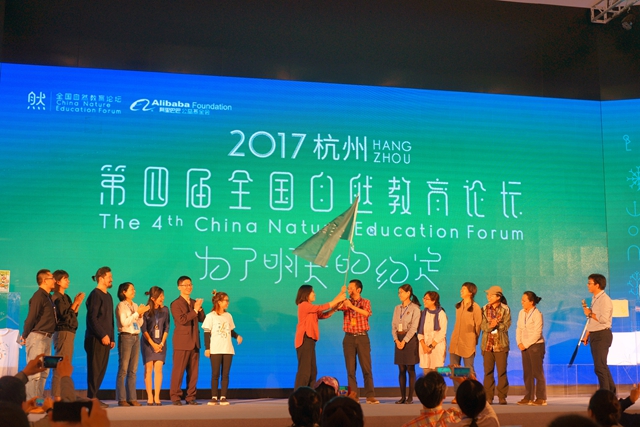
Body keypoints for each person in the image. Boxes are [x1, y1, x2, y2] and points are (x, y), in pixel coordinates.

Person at [294, 284, 346, 389]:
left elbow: (323, 314)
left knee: (312, 371)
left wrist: (337, 302)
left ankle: (309, 394)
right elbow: (321, 307)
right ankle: (299, 394)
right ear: (306, 294)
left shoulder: (310, 308)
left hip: (310, 341)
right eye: (312, 292)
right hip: (304, 340)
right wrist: (338, 299)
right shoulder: (304, 305)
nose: (314, 294)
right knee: (305, 371)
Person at [336, 279, 378, 404]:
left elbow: (366, 313)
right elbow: (335, 307)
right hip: (348, 338)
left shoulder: (365, 302)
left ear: (358, 290)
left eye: (351, 288)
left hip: (362, 337)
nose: (349, 290)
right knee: (350, 369)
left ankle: (370, 396)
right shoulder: (345, 301)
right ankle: (353, 396)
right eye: (348, 288)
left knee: (366, 368)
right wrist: (341, 294)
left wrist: (351, 306)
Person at [21, 269, 57, 401]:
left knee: (44, 371)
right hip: (37, 337)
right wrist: (25, 335)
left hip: (47, 338)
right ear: (44, 281)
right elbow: (31, 317)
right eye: (52, 278)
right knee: (34, 372)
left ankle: (39, 399)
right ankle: (31, 401)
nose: (54, 280)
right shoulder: (38, 296)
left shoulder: (48, 297)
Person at [202, 290, 242, 406]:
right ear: (219, 302)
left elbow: (230, 330)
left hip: (227, 349)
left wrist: (237, 336)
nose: (227, 303)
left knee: (225, 374)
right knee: (215, 374)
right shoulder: (210, 316)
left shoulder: (228, 316)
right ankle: (214, 397)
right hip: (215, 349)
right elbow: (206, 333)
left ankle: (223, 397)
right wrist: (207, 348)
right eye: (226, 300)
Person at [169, 275, 205, 405]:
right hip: (182, 342)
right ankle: (175, 397)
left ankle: (191, 397)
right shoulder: (175, 304)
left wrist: (199, 309)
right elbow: (182, 320)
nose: (189, 287)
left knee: (194, 373)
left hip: (195, 342)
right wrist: (195, 310)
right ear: (179, 287)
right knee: (178, 371)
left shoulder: (194, 302)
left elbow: (202, 319)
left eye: (190, 285)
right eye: (186, 285)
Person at [51, 270, 84, 399]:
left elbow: (72, 314)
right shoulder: (56, 297)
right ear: (58, 281)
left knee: (66, 364)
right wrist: (75, 303)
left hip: (70, 331)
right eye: (65, 279)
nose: (68, 281)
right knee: (60, 364)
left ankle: (64, 394)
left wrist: (77, 303)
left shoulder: (66, 297)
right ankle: (57, 396)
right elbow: (64, 316)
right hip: (62, 332)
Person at [84, 267, 115, 408]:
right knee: (94, 369)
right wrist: (102, 334)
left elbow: (110, 320)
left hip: (106, 340)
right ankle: (91, 398)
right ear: (101, 278)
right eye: (109, 277)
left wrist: (112, 338)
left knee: (101, 369)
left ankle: (94, 397)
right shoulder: (95, 295)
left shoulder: (108, 296)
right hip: (95, 339)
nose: (111, 279)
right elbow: (92, 318)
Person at [115, 282, 149, 406]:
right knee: (123, 369)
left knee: (133, 370)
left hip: (135, 337)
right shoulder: (121, 305)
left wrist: (140, 315)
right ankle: (121, 398)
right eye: (131, 289)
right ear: (124, 292)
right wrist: (136, 314)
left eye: (134, 289)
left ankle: (132, 398)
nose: (134, 291)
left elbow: (138, 324)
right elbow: (124, 322)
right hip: (126, 337)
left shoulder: (135, 305)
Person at [582, 273, 615, 393]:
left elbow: (604, 319)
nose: (588, 285)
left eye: (590, 283)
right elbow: (593, 321)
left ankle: (605, 395)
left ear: (597, 285)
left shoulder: (605, 300)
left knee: (600, 367)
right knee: (601, 366)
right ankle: (611, 393)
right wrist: (587, 335)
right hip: (595, 334)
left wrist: (590, 313)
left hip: (602, 335)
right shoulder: (595, 299)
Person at [449, 282, 482, 401]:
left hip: (468, 342)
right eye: (461, 288)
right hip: (455, 342)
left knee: (468, 370)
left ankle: (474, 394)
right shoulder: (458, 305)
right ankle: (458, 395)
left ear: (471, 292)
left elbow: (478, 326)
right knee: (455, 369)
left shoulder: (476, 307)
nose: (461, 290)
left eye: (464, 289)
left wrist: (473, 339)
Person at [480, 285, 511, 405]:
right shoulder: (484, 309)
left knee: (501, 372)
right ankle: (489, 397)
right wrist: (491, 325)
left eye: (491, 295)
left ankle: (502, 396)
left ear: (498, 297)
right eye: (487, 295)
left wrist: (497, 324)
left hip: (501, 345)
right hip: (487, 345)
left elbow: (506, 326)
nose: (488, 297)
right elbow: (483, 326)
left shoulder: (505, 309)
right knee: (488, 372)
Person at [515, 290, 546, 406]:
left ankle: (541, 398)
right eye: (522, 300)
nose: (522, 302)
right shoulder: (521, 313)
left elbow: (537, 333)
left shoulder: (537, 314)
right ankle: (528, 397)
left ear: (531, 302)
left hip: (536, 346)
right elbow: (519, 328)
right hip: (524, 346)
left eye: (524, 300)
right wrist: (519, 342)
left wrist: (526, 344)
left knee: (537, 372)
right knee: (527, 373)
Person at [392, 284, 421, 404]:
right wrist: (396, 340)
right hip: (398, 338)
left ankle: (410, 397)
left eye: (402, 292)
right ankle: (402, 397)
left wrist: (404, 341)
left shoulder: (415, 308)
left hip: (410, 339)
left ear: (408, 293)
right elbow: (393, 325)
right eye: (399, 292)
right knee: (401, 368)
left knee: (410, 368)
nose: (399, 294)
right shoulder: (397, 308)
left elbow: (414, 327)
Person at [140, 286, 169, 406]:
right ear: (153, 298)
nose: (162, 298)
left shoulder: (165, 310)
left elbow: (167, 327)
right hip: (148, 343)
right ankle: (149, 396)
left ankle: (157, 396)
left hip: (161, 343)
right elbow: (143, 329)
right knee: (148, 368)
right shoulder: (146, 310)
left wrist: (161, 343)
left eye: (163, 295)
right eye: (160, 296)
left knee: (159, 368)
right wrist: (153, 344)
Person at [418, 291, 447, 375]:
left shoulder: (441, 314)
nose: (424, 300)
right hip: (424, 348)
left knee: (437, 374)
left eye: (426, 299)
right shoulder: (423, 313)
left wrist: (431, 346)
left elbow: (442, 333)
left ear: (433, 301)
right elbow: (420, 331)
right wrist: (424, 346)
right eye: (424, 298)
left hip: (436, 348)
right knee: (426, 374)